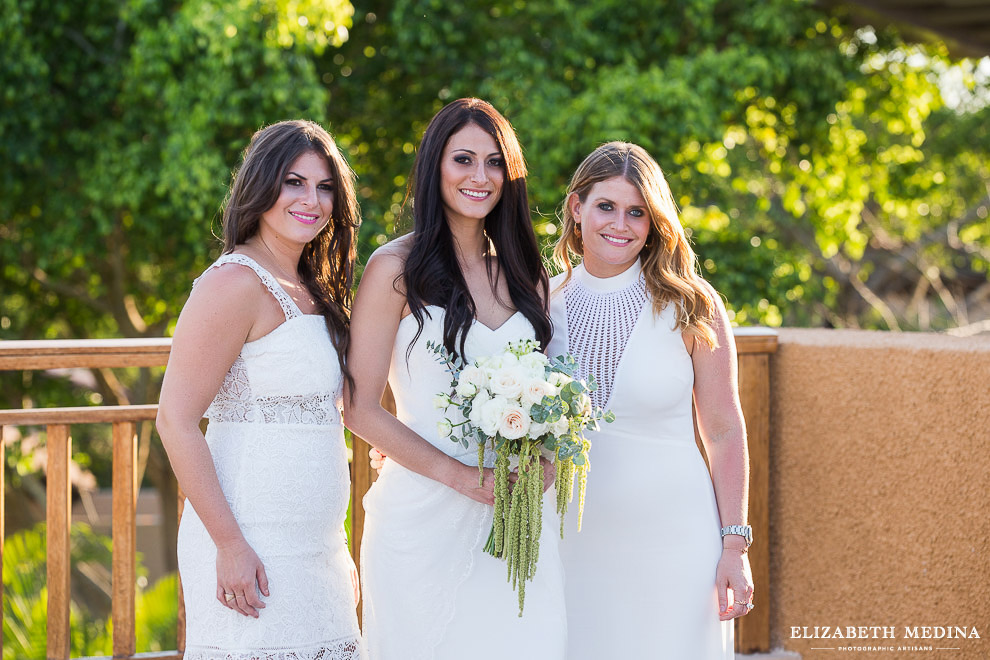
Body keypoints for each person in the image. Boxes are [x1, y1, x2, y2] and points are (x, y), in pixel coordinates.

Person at [344, 98, 566, 660]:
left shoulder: (526, 274)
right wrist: (462, 477)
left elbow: (553, 391)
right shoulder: (394, 268)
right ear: (434, 167)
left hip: (517, 515)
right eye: (463, 159)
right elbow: (360, 407)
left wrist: (544, 462)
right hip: (423, 513)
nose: (479, 176)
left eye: (495, 163)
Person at [157, 120, 366, 660]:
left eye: (324, 188)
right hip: (249, 538)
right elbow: (175, 420)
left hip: (317, 547)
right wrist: (229, 545)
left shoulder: (315, 288)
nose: (311, 201)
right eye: (294, 182)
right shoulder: (233, 282)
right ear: (261, 184)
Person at [547, 142, 753, 659]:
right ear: (577, 208)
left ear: (654, 220)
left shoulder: (692, 304)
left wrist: (735, 546)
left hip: (674, 542)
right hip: (570, 540)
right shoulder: (539, 303)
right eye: (606, 207)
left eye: (637, 212)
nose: (621, 224)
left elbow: (725, 432)